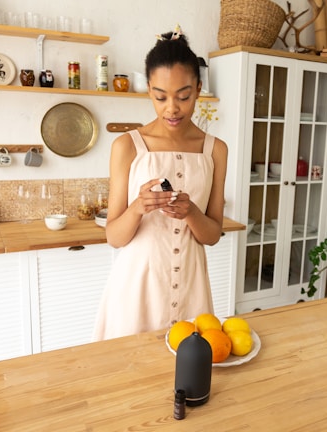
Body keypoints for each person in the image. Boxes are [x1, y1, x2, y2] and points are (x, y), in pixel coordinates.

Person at [93, 26, 228, 341]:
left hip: (192, 288)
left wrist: (192, 211)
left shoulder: (215, 150)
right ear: (148, 90)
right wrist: (138, 207)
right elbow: (114, 236)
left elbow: (212, 235)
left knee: (189, 374)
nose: (172, 108)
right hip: (137, 289)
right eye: (160, 97)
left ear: (198, 87)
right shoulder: (127, 146)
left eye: (183, 96)